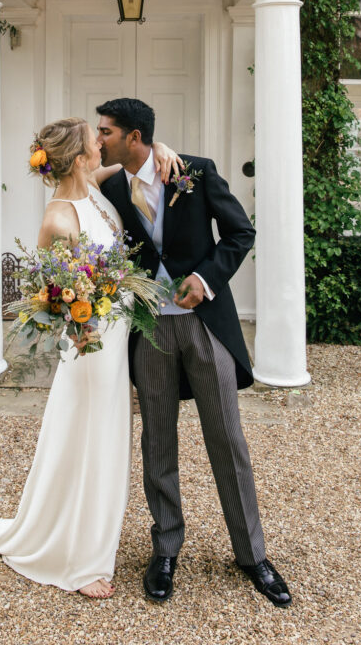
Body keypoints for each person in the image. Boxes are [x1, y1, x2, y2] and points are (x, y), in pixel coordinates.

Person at [96, 98, 292, 609]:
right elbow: (74, 184)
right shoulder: (112, 186)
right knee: (157, 440)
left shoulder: (195, 173)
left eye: (107, 132)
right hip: (150, 331)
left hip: (205, 327)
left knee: (227, 436)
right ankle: (165, 551)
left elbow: (240, 232)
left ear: (134, 136)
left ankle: (252, 555)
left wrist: (205, 279)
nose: (100, 140)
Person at [0, 118, 180, 599]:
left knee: (108, 440)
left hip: (115, 341)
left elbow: (136, 162)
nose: (102, 142)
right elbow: (45, 294)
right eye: (96, 139)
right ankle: (81, 560)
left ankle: (87, 538)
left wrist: (163, 148)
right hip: (90, 346)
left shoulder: (95, 184)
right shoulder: (60, 217)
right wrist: (83, 323)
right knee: (92, 443)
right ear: (77, 156)